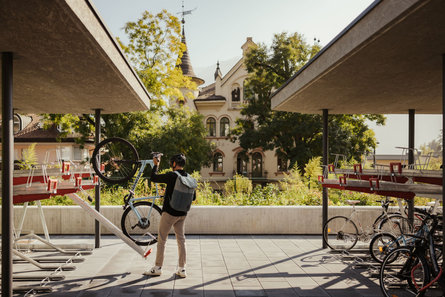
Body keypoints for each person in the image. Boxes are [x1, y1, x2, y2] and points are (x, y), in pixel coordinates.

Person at [144, 153, 196, 278]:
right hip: (182, 214)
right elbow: (193, 197)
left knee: (162, 240)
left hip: (169, 213)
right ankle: (182, 269)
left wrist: (156, 165)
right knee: (181, 240)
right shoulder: (189, 177)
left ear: (173, 164)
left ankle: (157, 267)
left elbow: (154, 177)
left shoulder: (172, 175)